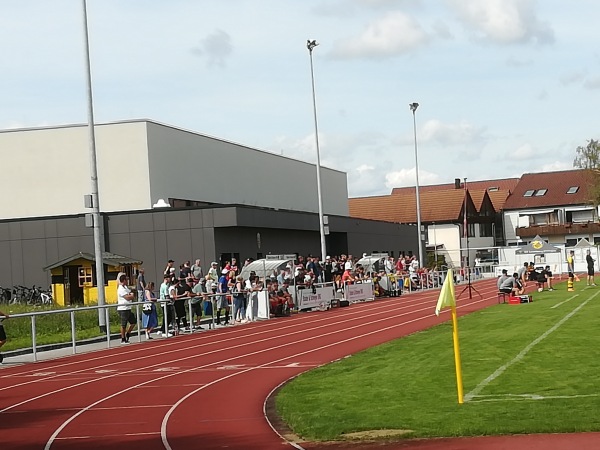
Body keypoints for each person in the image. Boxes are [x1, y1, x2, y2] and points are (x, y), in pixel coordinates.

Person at [116, 274, 136, 344]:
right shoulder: (120, 289)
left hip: (128, 308)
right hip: (123, 309)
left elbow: (130, 293)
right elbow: (128, 297)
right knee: (123, 324)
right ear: (124, 280)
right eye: (126, 280)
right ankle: (123, 338)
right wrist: (131, 295)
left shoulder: (125, 287)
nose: (127, 281)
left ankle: (128, 333)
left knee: (133, 322)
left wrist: (131, 294)